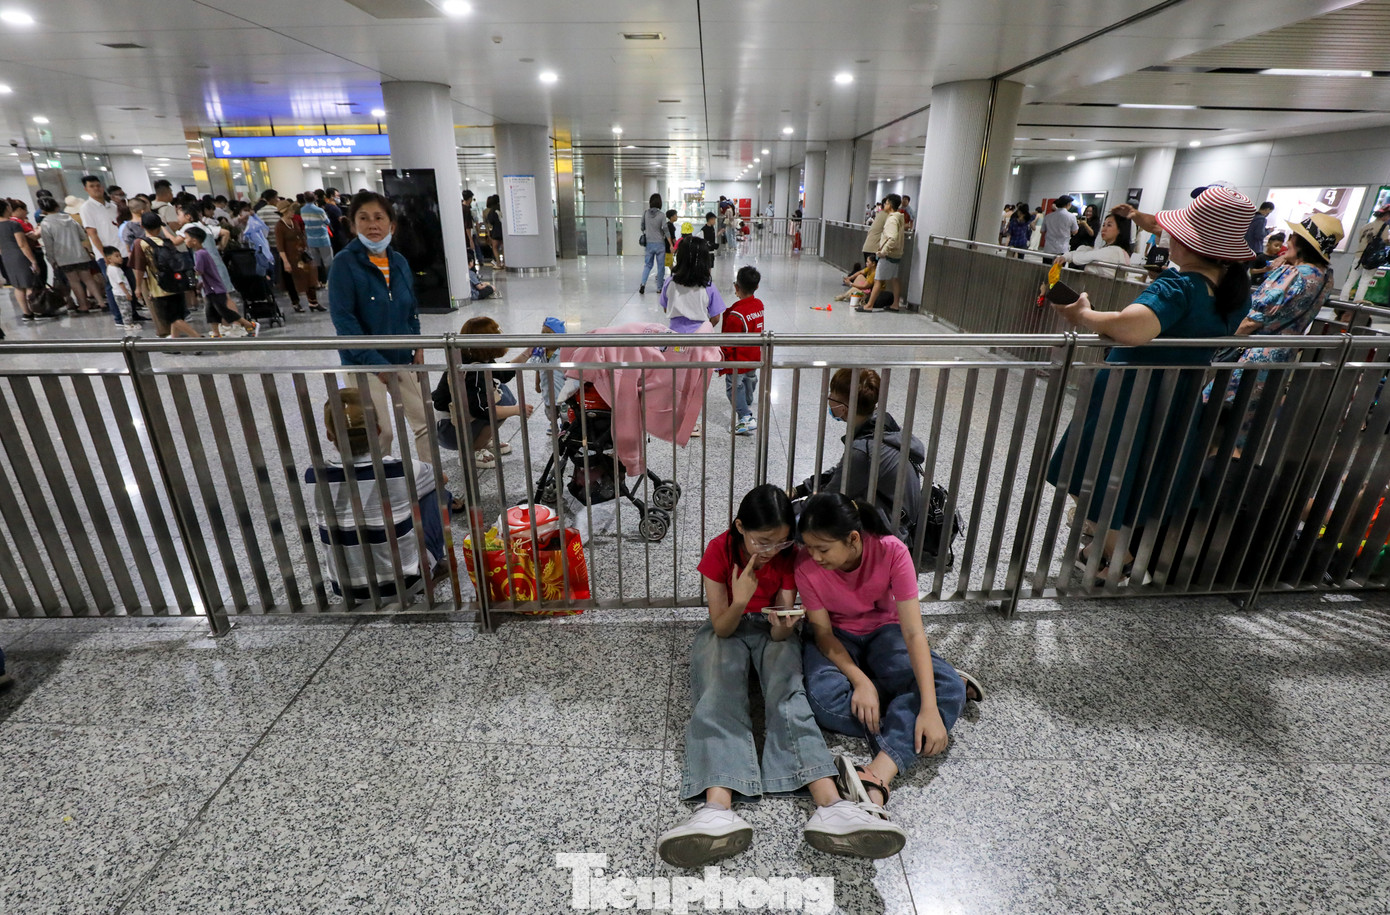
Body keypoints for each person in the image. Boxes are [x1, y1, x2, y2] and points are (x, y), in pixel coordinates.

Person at [657, 484, 909, 868]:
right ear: (740, 527)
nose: (770, 550)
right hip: (727, 626)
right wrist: (741, 597)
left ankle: (831, 803)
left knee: (788, 691)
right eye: (762, 541)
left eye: (780, 542)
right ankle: (717, 807)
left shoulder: (788, 556)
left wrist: (782, 625)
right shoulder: (718, 551)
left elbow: (782, 627)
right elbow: (721, 626)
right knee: (717, 693)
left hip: (772, 630)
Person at [1048, 186, 1258, 577]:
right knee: (1137, 477)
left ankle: (1118, 557)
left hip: (1127, 395)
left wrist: (1083, 315)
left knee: (1089, 472)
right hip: (1179, 398)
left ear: (1191, 241)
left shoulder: (1179, 286)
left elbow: (1132, 327)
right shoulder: (1234, 295)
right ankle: (1104, 550)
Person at [796, 491, 982, 829]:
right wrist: (861, 681)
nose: (814, 557)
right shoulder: (806, 566)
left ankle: (877, 774)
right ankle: (915, 693)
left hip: (887, 631)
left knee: (944, 691)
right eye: (809, 547)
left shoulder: (892, 551)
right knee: (824, 703)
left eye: (822, 549)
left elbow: (913, 633)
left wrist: (928, 707)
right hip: (838, 639)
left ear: (853, 539)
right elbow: (822, 634)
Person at [308, 388, 447, 600]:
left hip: (347, 590)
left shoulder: (315, 475)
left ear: (329, 435)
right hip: (405, 585)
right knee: (439, 494)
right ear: (379, 429)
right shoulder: (401, 468)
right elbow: (441, 478)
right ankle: (432, 565)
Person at [328, 190, 433, 459]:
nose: (372, 224)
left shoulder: (399, 262)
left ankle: (430, 488)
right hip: (363, 361)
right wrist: (377, 363)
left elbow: (411, 309)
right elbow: (344, 321)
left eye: (379, 217)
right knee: (380, 431)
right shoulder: (344, 264)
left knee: (425, 423)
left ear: (392, 225)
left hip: (400, 356)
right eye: (363, 218)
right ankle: (381, 491)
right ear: (353, 226)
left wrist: (418, 344)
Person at [1210, 212, 1342, 407]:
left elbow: (1252, 320)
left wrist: (1217, 341)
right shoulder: (1325, 277)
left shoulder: (1290, 274)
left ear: (1302, 243)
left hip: (1250, 359)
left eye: (1292, 237)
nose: (1287, 242)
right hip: (1282, 360)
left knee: (1215, 410)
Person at [793, 367, 926, 548]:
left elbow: (830, 496)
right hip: (901, 518)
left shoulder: (863, 450)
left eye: (832, 395)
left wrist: (789, 509)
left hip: (886, 530)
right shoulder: (881, 424)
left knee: (803, 525)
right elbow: (842, 471)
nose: (828, 398)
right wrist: (801, 490)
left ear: (844, 408)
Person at [431, 314, 535, 472]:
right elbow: (481, 409)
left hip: (452, 423)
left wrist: (527, 353)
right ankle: (472, 451)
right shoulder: (473, 370)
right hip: (449, 430)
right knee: (503, 401)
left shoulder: (474, 356)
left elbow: (503, 374)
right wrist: (517, 410)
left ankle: (482, 441)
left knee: (503, 393)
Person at [131, 212, 202, 340]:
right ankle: (173, 341)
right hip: (177, 284)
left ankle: (198, 339)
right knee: (177, 316)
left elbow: (139, 269)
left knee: (172, 319)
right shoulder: (166, 242)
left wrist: (138, 287)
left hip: (160, 288)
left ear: (142, 226)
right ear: (159, 227)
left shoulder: (140, 244)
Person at [185, 225, 258, 338]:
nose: (185, 240)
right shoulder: (203, 252)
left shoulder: (200, 254)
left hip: (215, 288)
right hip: (210, 287)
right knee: (211, 311)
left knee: (224, 310)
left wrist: (192, 274)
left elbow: (199, 270)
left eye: (186, 238)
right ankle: (216, 332)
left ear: (194, 241)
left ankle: (248, 325)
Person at [720, 265, 764, 436]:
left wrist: (721, 358)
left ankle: (745, 417)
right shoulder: (759, 305)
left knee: (733, 387)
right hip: (754, 355)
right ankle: (747, 403)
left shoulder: (736, 315)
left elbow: (728, 343)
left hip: (738, 359)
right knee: (750, 380)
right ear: (757, 287)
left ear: (736, 287)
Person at [38, 197, 99, 313]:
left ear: (43, 210)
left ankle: (83, 305)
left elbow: (49, 245)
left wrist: (51, 259)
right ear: (57, 206)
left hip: (64, 258)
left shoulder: (45, 224)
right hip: (80, 254)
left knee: (74, 281)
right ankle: (101, 302)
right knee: (88, 279)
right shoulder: (69, 218)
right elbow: (82, 236)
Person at [660, 236, 726, 332]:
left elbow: (666, 308)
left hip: (675, 336)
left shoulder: (670, 282)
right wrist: (704, 330)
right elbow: (716, 317)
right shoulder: (708, 285)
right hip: (700, 339)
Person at [512, 316, 566, 423]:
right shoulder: (540, 352)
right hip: (548, 392)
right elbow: (538, 369)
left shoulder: (563, 353)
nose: (545, 336)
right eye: (543, 333)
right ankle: (553, 425)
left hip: (563, 394)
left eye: (549, 334)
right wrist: (537, 384)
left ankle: (566, 427)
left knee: (566, 415)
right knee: (550, 413)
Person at [275, 199, 322, 312]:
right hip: (290, 257)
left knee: (309, 276)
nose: (293, 212)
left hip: (301, 255)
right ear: (285, 211)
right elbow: (280, 246)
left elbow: (300, 235)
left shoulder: (294, 222)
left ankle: (313, 302)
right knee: (292, 281)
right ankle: (295, 303)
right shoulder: (280, 226)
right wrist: (285, 262)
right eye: (291, 210)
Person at [861, 194, 905, 313]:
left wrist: (883, 252)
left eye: (886, 203)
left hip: (888, 255)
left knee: (878, 280)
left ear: (890, 205)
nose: (884, 205)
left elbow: (892, 238)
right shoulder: (900, 217)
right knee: (895, 279)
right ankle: (895, 304)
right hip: (897, 254)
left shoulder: (891, 219)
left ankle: (869, 305)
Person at [1055, 211, 1134, 277]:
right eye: (1103, 225)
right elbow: (1085, 251)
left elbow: (1080, 258)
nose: (1104, 229)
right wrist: (1068, 256)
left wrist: (1068, 256)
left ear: (1120, 230)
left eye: (1109, 225)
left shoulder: (1114, 251)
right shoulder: (1116, 250)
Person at [0, 198, 41, 320]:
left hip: (7, 257)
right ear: (7, 209)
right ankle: (37, 310)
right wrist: (33, 261)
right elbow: (22, 244)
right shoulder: (13, 224)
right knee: (29, 285)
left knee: (17, 286)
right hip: (20, 256)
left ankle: (26, 313)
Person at [1343, 206, 1390, 303]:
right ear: (1385, 216)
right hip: (1371, 258)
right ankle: (1358, 302)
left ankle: (1342, 301)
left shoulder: (1364, 227)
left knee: (1350, 281)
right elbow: (1385, 240)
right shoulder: (1384, 226)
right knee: (1365, 281)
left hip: (1358, 256)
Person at [102, 246, 140, 335]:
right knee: (126, 309)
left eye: (120, 255)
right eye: (117, 256)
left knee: (127, 309)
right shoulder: (114, 270)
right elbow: (121, 283)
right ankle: (128, 324)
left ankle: (129, 323)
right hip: (121, 294)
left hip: (121, 293)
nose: (120, 258)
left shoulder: (114, 268)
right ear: (109, 259)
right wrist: (127, 293)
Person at [300, 192, 334, 282]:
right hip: (322, 239)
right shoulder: (319, 210)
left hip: (311, 239)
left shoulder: (302, 210)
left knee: (316, 262)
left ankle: (319, 280)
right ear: (314, 198)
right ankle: (330, 279)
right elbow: (327, 222)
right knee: (328, 261)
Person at [638, 193, 666, 295]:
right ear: (660, 202)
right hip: (660, 244)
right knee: (661, 266)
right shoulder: (662, 215)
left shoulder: (645, 213)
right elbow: (665, 229)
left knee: (648, 265)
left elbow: (642, 227)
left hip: (649, 243)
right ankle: (659, 288)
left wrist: (649, 230)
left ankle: (643, 284)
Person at [1039, 195, 1079, 260]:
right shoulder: (1071, 216)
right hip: (1062, 249)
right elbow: (1075, 231)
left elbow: (1042, 231)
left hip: (1048, 248)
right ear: (1068, 204)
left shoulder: (1048, 216)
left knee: (1046, 268)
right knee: (1058, 269)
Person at [483, 194, 505, 268]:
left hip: (495, 231)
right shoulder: (502, 208)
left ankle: (498, 263)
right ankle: (505, 262)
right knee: (503, 247)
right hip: (503, 230)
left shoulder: (491, 211)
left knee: (495, 247)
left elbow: (490, 221)